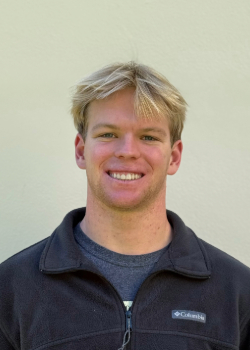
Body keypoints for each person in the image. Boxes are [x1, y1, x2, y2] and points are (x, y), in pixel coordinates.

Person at [0, 62, 250, 350]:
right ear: (81, 151)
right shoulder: (12, 288)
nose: (128, 151)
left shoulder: (236, 292)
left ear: (174, 157)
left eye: (148, 137)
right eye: (108, 134)